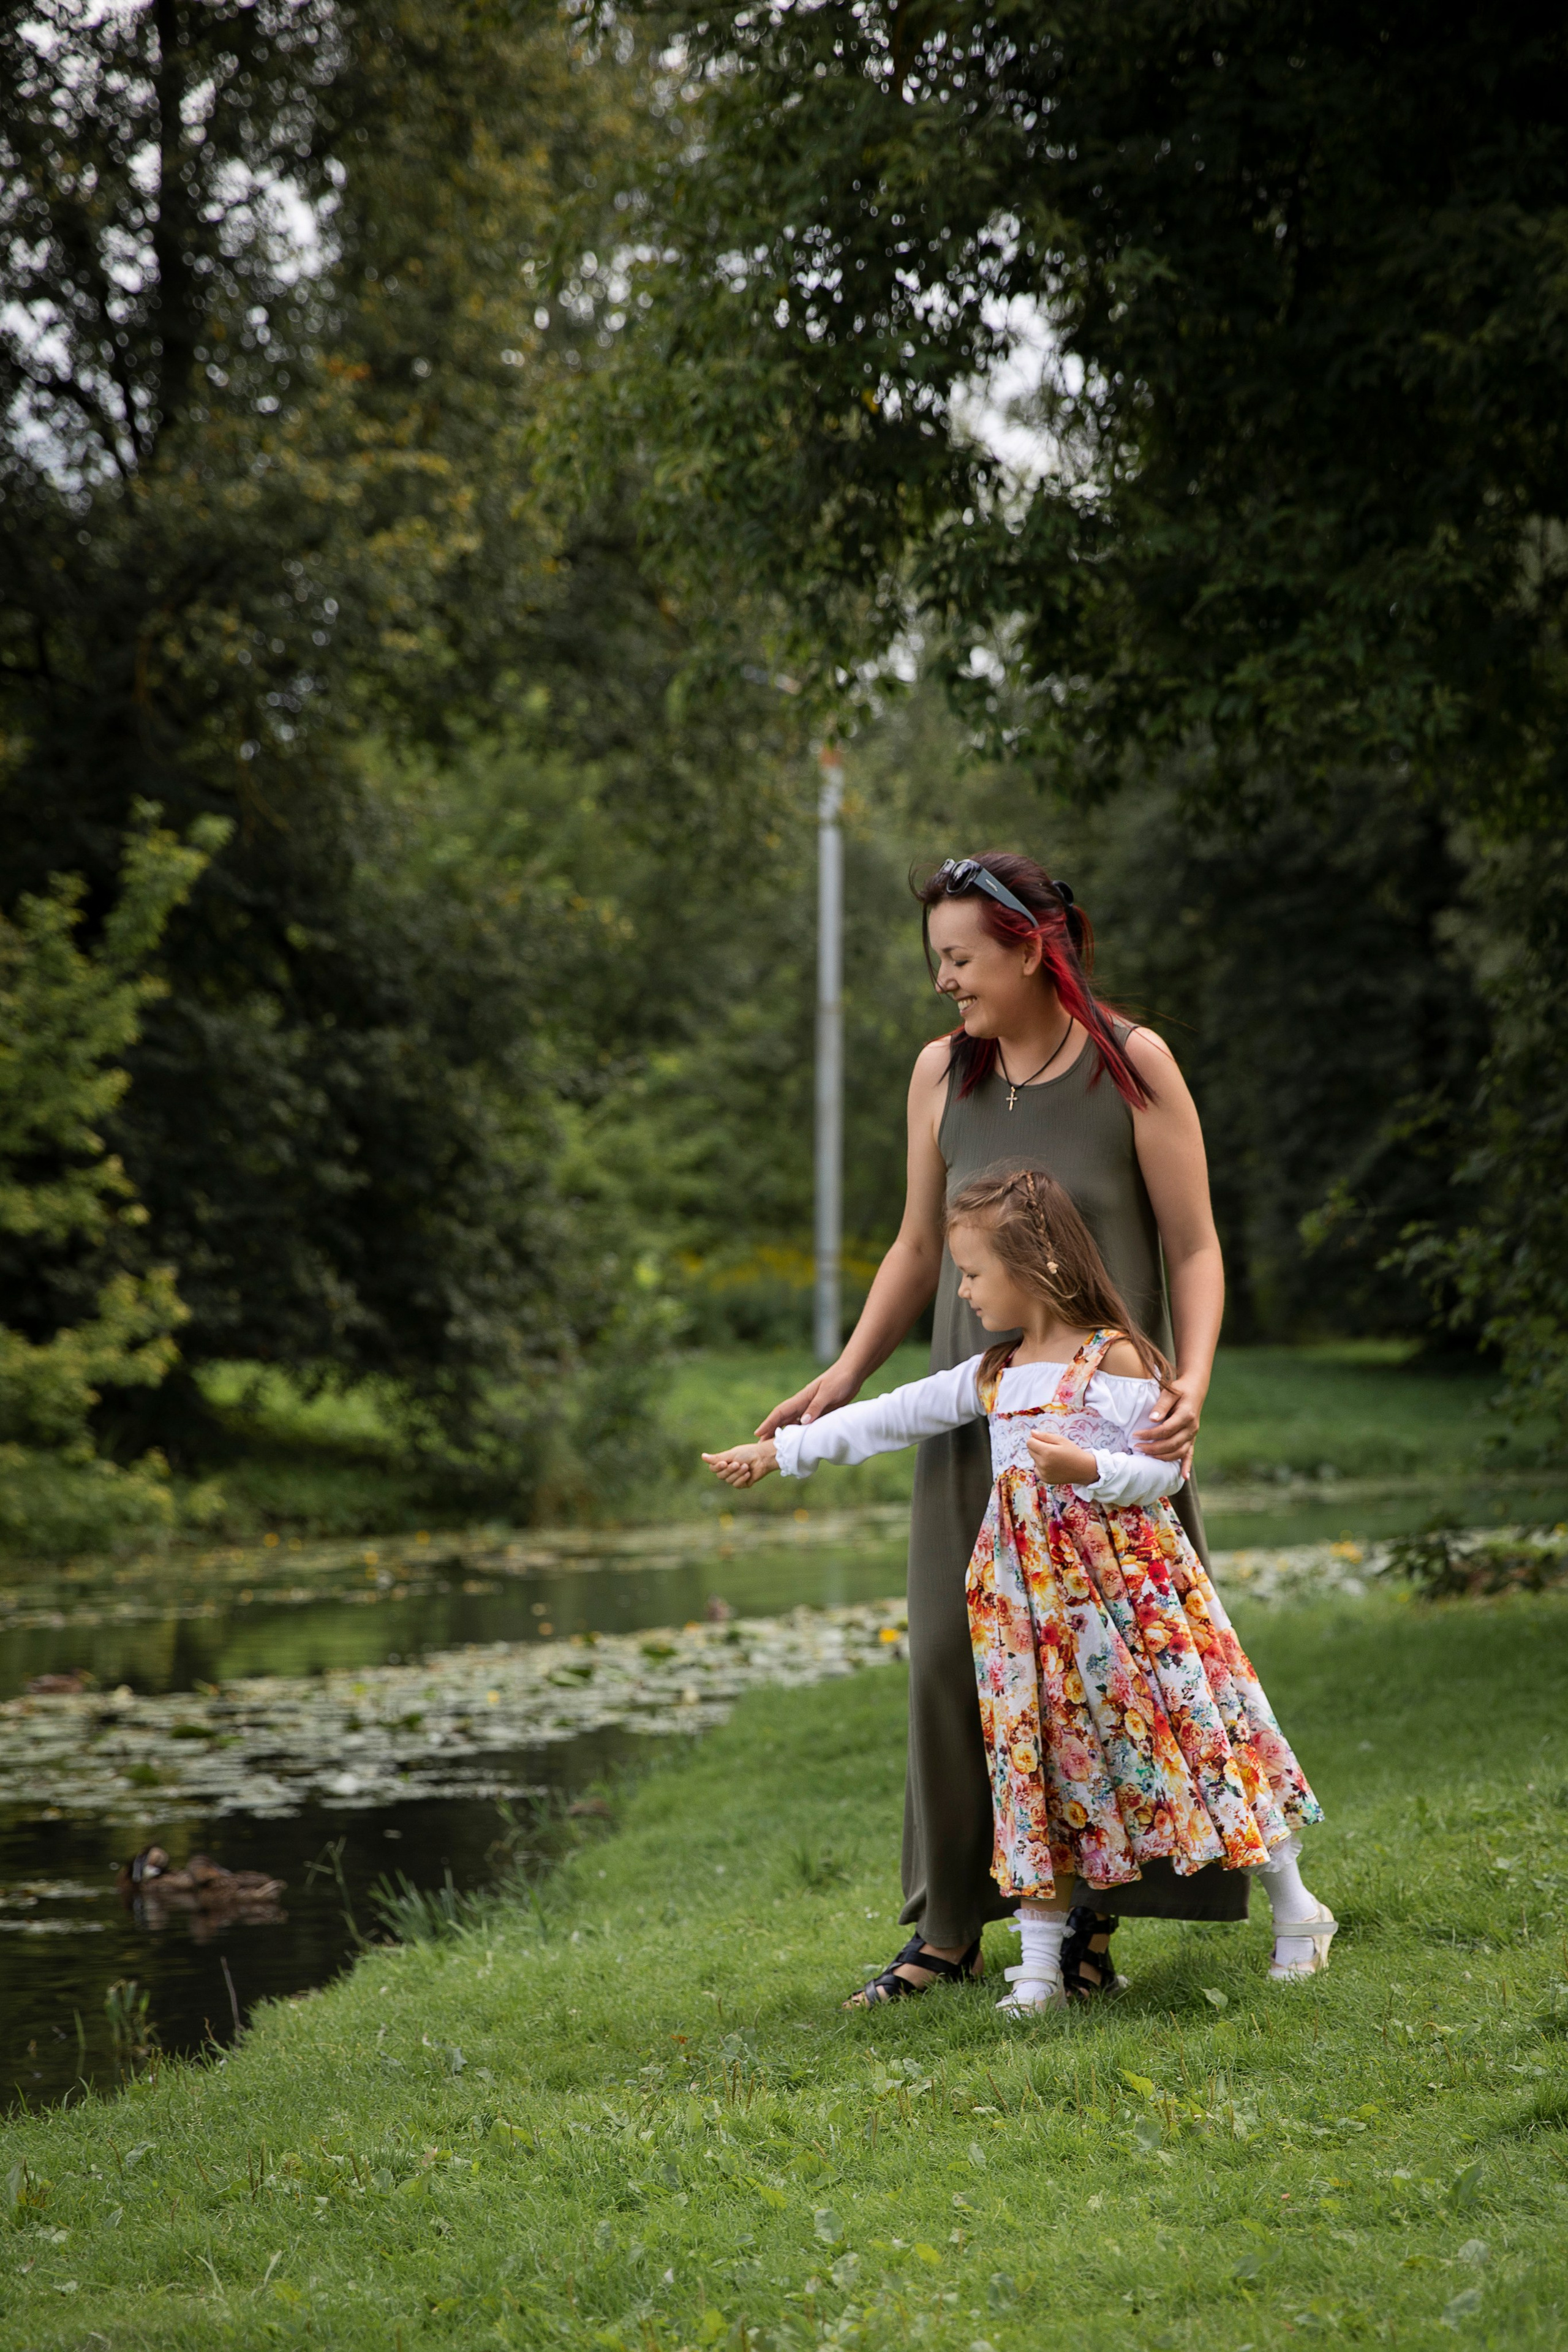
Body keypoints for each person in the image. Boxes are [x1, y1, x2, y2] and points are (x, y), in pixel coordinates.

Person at [755, 852, 1240, 2002]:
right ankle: (954, 1926)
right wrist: (841, 1375)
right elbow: (918, 1248)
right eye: (938, 960)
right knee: (947, 1655)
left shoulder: (1134, 1063)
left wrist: (1194, 1384)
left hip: (1102, 1424)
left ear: (1030, 948)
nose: (945, 984)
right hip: (973, 1415)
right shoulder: (939, 1075)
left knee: (1102, 1668)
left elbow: (1195, 1248)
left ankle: (1091, 1930)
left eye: (960, 958)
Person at [706, 1167, 1334, 2008]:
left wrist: (1091, 1469)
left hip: (1130, 1608)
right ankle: (1039, 1969)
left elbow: (1164, 1469)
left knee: (1200, 1742)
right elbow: (890, 1414)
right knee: (1034, 1769)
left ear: (1033, 1264)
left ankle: (1297, 1910)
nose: (960, 1290)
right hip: (1028, 1619)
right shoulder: (994, 1374)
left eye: (972, 1271)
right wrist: (783, 1451)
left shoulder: (1112, 1357)